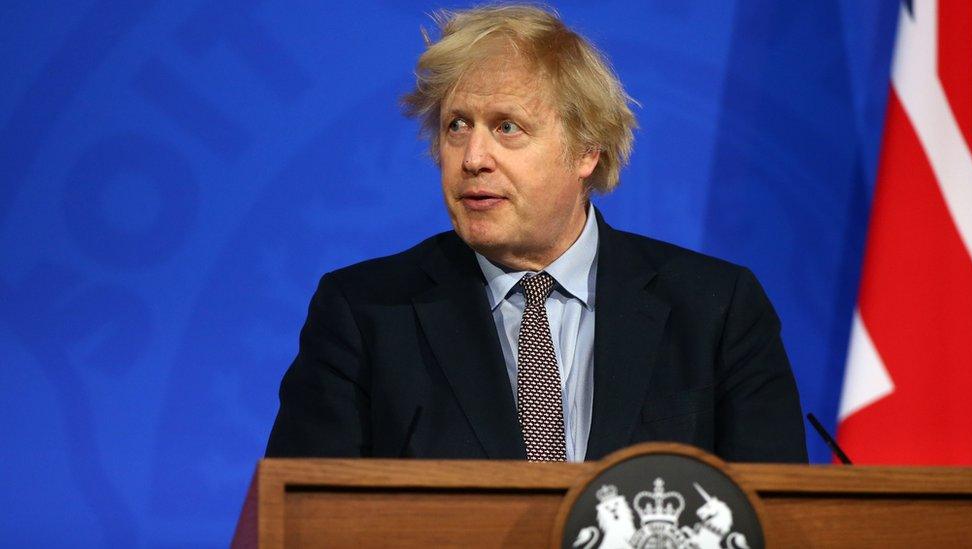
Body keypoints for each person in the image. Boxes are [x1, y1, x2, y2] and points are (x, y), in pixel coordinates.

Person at [266, 5, 807, 463]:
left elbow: (770, 516)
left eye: (508, 127)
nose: (474, 158)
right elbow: (302, 515)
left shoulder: (716, 309)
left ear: (586, 150)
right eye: (458, 125)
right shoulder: (365, 314)